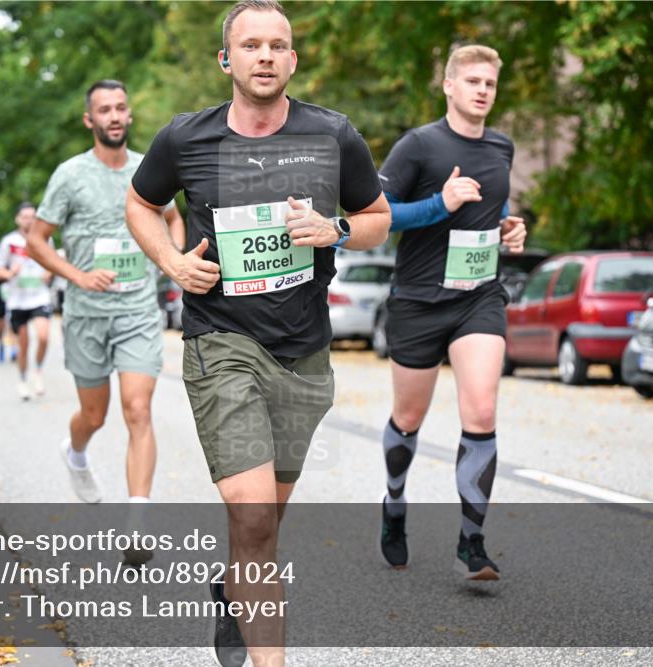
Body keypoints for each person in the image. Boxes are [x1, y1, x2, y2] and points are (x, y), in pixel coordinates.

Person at [125, 2, 390, 665]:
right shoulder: (185, 139)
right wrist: (171, 261)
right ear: (227, 60)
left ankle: (233, 588)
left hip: (303, 352)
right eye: (251, 45)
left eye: (278, 45)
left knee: (263, 525)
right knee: (249, 517)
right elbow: (140, 202)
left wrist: (338, 231)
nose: (265, 55)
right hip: (221, 342)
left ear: (293, 60)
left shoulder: (334, 135)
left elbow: (378, 214)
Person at [375, 44, 527, 580]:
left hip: (478, 297)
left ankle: (472, 541)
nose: (483, 89)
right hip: (417, 301)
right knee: (409, 417)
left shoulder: (502, 147)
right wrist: (442, 202)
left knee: (481, 412)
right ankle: (394, 505)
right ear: (449, 86)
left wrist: (510, 225)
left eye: (490, 82)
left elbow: (495, 204)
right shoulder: (417, 146)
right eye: (473, 81)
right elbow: (379, 216)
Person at [28, 79, 185, 562]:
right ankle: (74, 452)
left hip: (138, 310)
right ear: (89, 120)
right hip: (86, 314)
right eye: (104, 110)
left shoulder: (147, 168)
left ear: (129, 115)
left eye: (120, 108)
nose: (113, 116)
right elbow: (37, 239)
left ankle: (137, 526)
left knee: (137, 409)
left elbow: (173, 218)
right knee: (93, 416)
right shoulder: (70, 175)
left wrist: (169, 260)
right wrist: (77, 275)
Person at [0, 203, 54, 400]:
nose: (29, 220)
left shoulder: (44, 238)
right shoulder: (8, 242)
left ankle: (37, 371)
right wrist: (10, 273)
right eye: (25, 216)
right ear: (18, 219)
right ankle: (22, 379)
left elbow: (53, 262)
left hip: (39, 296)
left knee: (44, 336)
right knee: (24, 344)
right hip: (17, 300)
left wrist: (48, 273)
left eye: (32, 216)